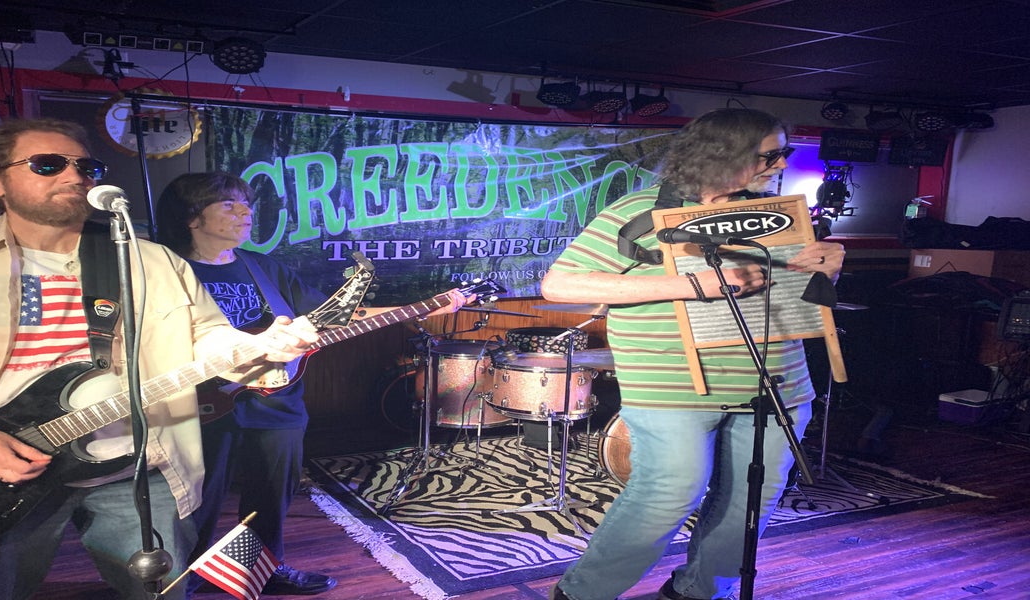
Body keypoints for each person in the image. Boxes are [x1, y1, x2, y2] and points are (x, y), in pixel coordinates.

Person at [0, 118, 318, 600]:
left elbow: (205, 337)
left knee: (160, 591)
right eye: (48, 164)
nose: (74, 176)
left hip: (138, 464)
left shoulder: (152, 261)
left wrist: (257, 348)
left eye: (86, 167)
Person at [540, 108, 845, 600]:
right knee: (669, 491)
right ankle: (583, 594)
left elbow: (794, 296)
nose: (781, 164)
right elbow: (559, 284)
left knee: (751, 498)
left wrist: (826, 270)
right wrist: (693, 284)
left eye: (783, 153)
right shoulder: (642, 211)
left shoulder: (777, 213)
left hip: (775, 380)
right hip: (671, 381)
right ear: (722, 155)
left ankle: (698, 592)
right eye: (770, 155)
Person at [153, 172, 470, 597]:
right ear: (193, 217)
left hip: (276, 402)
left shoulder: (261, 266)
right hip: (198, 404)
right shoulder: (166, 271)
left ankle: (262, 571)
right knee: (196, 501)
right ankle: (182, 581)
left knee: (270, 497)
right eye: (229, 204)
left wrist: (422, 308)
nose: (246, 212)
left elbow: (332, 318)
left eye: (247, 204)